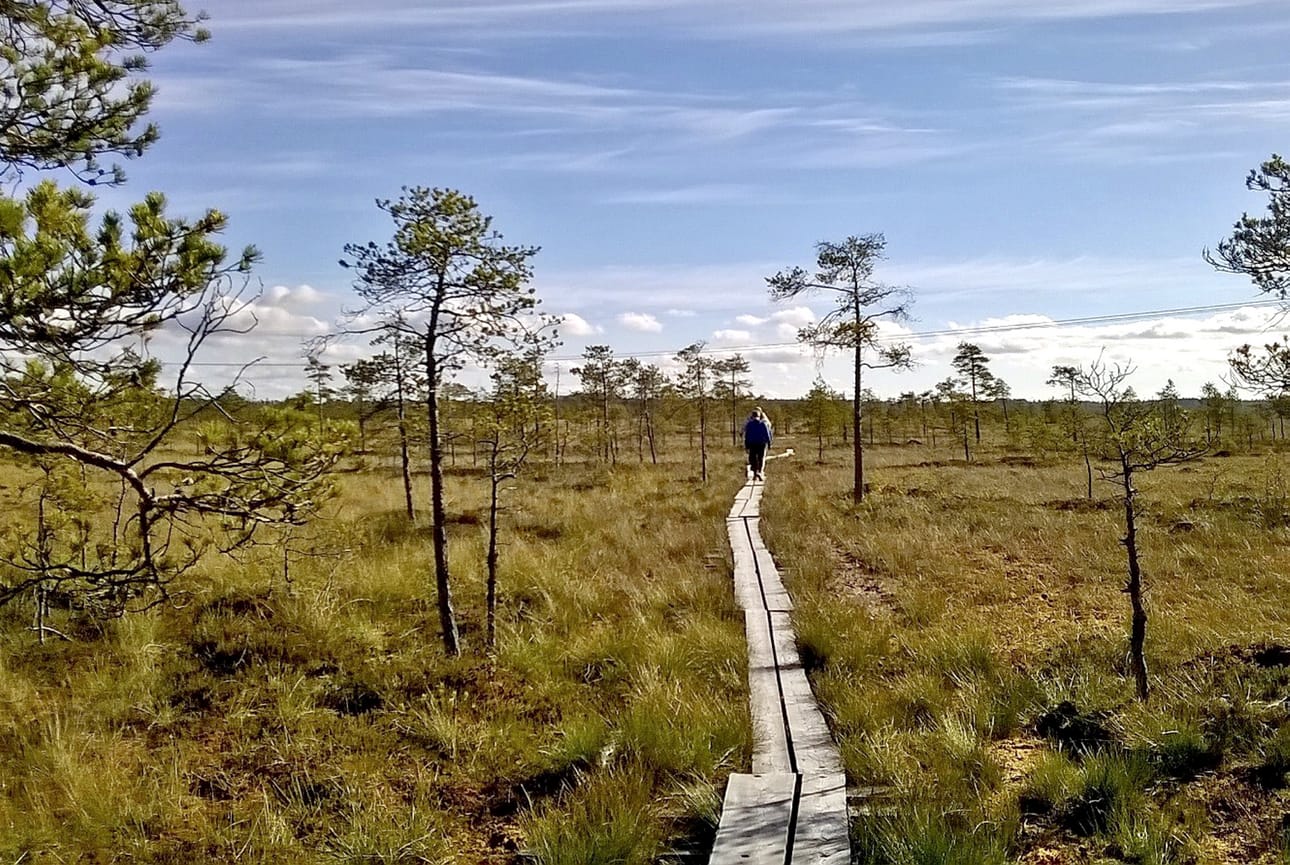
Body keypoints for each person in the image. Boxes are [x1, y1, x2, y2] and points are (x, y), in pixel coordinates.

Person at [743, 407, 773, 481]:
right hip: (761, 444)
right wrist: (769, 443)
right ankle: (759, 471)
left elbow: (747, 435)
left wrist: (746, 445)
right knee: (761, 458)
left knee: (752, 458)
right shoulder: (763, 424)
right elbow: (767, 434)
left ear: (752, 416)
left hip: (752, 444)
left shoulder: (749, 424)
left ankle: (754, 472)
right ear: (759, 416)